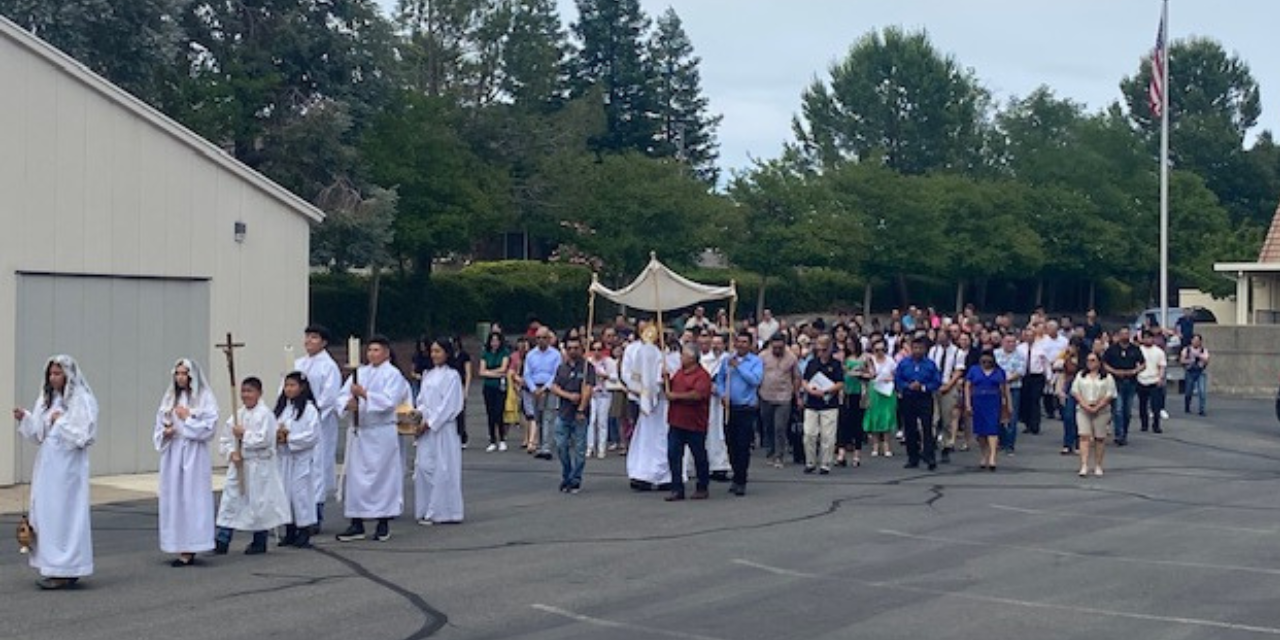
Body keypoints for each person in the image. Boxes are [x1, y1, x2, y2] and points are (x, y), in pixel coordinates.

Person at [12, 355, 97, 590]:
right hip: (48, 466)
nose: (53, 377)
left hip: (69, 469)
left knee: (65, 515)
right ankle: (52, 566)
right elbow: (38, 434)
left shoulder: (82, 400)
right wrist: (26, 418)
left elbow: (85, 435)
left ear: (68, 375)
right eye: (51, 373)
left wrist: (62, 423)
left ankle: (67, 568)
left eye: (58, 373)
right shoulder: (47, 400)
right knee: (48, 515)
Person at [336, 336, 412, 542]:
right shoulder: (359, 372)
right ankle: (356, 522)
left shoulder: (393, 374)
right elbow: (342, 395)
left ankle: (383, 522)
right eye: (369, 350)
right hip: (360, 431)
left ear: (386, 352)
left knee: (383, 477)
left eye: (377, 350)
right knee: (356, 477)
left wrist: (366, 395)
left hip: (381, 432)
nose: (372, 354)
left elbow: (389, 401)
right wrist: (347, 403)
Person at [214, 377, 290, 555]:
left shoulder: (265, 415)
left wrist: (244, 434)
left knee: (259, 503)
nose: (245, 395)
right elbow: (225, 439)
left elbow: (265, 439)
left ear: (259, 393)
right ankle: (222, 539)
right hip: (241, 464)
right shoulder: (237, 414)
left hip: (259, 465)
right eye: (243, 391)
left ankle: (259, 540)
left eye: (250, 391)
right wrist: (231, 453)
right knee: (230, 501)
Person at [155, 358, 218, 567]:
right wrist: (166, 432)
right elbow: (159, 425)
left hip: (193, 453)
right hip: (173, 453)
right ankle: (177, 542)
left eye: (185, 373)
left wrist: (188, 418)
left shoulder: (204, 398)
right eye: (178, 373)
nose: (181, 377)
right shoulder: (170, 398)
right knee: (175, 498)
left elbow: (209, 427)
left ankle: (191, 545)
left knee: (192, 497)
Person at [293, 324, 342, 532]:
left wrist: (312, 412)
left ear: (323, 342)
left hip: (319, 423)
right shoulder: (298, 363)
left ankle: (316, 514)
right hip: (298, 422)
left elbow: (329, 396)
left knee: (317, 467)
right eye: (307, 337)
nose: (308, 341)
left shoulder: (328, 366)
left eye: (314, 338)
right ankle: (297, 514)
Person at [414, 337, 465, 525]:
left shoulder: (452, 376)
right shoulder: (428, 374)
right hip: (426, 428)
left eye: (438, 351)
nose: (434, 355)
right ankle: (426, 506)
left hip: (443, 428)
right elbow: (421, 400)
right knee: (423, 466)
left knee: (443, 468)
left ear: (447, 353)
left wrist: (430, 423)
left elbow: (449, 405)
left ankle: (443, 510)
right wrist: (417, 418)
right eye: (432, 351)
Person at [274, 372, 320, 548]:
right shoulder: (282, 409)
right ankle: (290, 529)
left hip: (300, 458)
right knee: (285, 494)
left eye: (293, 385)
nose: (289, 389)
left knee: (300, 494)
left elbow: (312, 434)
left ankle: (304, 529)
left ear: (302, 388)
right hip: (284, 458)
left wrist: (290, 438)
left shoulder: (309, 409)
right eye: (286, 386)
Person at [626, 324, 671, 490]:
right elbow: (636, 376)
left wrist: (666, 377)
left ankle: (665, 475)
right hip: (648, 405)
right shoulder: (643, 353)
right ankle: (642, 473)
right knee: (645, 439)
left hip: (664, 404)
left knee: (662, 439)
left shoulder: (670, 355)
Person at [666, 345, 714, 501]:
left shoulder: (702, 375)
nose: (681, 358)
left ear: (692, 358)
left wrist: (676, 396)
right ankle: (676, 488)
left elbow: (697, 395)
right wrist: (664, 380)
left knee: (699, 455)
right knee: (674, 454)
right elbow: (670, 388)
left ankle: (702, 486)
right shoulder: (679, 373)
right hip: (676, 421)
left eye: (684, 355)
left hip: (695, 423)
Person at [718, 331, 762, 495]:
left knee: (742, 445)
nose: (741, 344)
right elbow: (720, 379)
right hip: (730, 408)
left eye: (745, 342)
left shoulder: (755, 361)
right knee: (730, 444)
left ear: (750, 344)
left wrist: (739, 367)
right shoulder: (727, 360)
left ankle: (741, 479)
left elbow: (755, 380)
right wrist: (723, 394)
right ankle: (735, 473)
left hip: (746, 408)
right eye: (739, 341)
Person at [551, 334, 595, 494]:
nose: (572, 351)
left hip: (580, 415)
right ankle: (567, 473)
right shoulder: (562, 368)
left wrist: (581, 408)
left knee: (580, 449)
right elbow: (554, 387)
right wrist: (568, 396)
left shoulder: (587, 367)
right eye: (569, 348)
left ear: (581, 349)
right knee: (561, 446)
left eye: (576, 348)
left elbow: (588, 389)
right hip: (563, 412)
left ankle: (575, 479)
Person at [895, 337, 943, 471]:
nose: (917, 351)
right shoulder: (904, 363)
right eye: (915, 348)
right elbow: (898, 379)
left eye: (920, 348)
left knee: (927, 427)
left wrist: (923, 387)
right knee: (910, 428)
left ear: (925, 349)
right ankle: (913, 457)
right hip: (908, 398)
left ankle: (929, 456)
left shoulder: (930, 364)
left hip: (924, 398)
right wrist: (907, 386)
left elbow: (936, 381)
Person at [801, 334, 843, 475]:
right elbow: (805, 380)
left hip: (829, 403)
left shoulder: (836, 364)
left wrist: (826, 390)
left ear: (830, 349)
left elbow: (840, 383)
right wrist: (809, 390)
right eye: (819, 349)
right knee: (809, 434)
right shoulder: (812, 363)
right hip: (812, 403)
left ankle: (825, 463)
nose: (821, 352)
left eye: (824, 350)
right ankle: (810, 462)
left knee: (828, 436)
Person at [759, 333, 800, 468]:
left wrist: (797, 395)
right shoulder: (763, 356)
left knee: (780, 427)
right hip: (765, 395)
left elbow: (796, 377)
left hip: (784, 397)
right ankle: (770, 453)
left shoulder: (791, 358)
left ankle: (779, 456)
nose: (777, 351)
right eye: (775, 348)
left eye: (780, 348)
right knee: (768, 426)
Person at [1074, 353, 1117, 477]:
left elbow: (1110, 394)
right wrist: (1085, 405)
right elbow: (1076, 392)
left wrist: (1098, 406)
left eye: (1093, 360)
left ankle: (1098, 465)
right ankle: (1084, 465)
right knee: (1084, 436)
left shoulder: (1107, 377)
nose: (1090, 363)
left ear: (1099, 362)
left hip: (1101, 410)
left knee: (1099, 438)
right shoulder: (1081, 375)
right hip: (1083, 409)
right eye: (1088, 360)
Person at [964, 351, 1009, 471]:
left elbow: (1004, 390)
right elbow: (968, 387)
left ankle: (993, 457)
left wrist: (1007, 406)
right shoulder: (974, 370)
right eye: (984, 361)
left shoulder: (999, 372)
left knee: (992, 429)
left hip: (993, 401)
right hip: (978, 401)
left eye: (988, 361)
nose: (986, 363)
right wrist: (968, 404)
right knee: (980, 432)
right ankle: (984, 454)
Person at [523, 327, 562, 460]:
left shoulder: (556, 354)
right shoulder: (530, 355)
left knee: (548, 416)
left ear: (549, 339)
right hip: (534, 389)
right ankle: (540, 444)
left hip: (550, 389)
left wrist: (545, 388)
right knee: (538, 417)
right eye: (538, 338)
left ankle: (546, 447)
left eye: (544, 338)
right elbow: (527, 373)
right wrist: (534, 389)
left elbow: (556, 373)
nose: (541, 340)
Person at [1102, 327, 1144, 446]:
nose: (1125, 336)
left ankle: (1124, 432)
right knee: (1118, 409)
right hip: (1116, 382)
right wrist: (1115, 371)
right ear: (1119, 335)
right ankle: (1119, 434)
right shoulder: (1112, 349)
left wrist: (1135, 371)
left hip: (1131, 382)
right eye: (1122, 334)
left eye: (1127, 333)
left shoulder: (1135, 349)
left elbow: (1143, 363)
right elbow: (1104, 364)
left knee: (1127, 410)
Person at [928, 330, 962, 464]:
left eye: (943, 338)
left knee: (947, 418)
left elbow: (958, 371)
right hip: (934, 386)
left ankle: (947, 446)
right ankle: (932, 442)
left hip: (949, 386)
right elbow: (930, 367)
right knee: (933, 418)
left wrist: (948, 385)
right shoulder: (933, 350)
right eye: (939, 338)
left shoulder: (957, 352)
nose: (940, 340)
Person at [837, 338, 869, 468]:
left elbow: (871, 373)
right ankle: (841, 453)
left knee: (857, 424)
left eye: (852, 344)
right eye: (848, 344)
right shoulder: (843, 358)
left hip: (859, 393)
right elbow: (840, 373)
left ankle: (857, 454)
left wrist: (861, 374)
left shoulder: (865, 358)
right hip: (845, 393)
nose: (850, 346)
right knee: (843, 423)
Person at [863, 340, 898, 457]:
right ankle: (875, 445)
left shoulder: (890, 360)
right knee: (875, 416)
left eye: (882, 350)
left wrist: (890, 378)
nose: (879, 352)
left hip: (887, 390)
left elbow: (896, 373)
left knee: (887, 416)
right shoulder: (870, 360)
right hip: (875, 389)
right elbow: (867, 374)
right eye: (877, 350)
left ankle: (887, 445)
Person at [993, 333, 1026, 455]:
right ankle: (1000, 441)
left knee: (1012, 416)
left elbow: (1020, 372)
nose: (1011, 344)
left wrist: (1006, 380)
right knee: (997, 415)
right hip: (996, 388)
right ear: (1003, 342)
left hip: (1013, 388)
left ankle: (1010, 445)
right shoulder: (995, 354)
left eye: (1013, 342)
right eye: (1008, 341)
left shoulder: (1020, 355)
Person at [478, 331, 511, 452]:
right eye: (492, 341)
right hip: (488, 386)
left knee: (499, 412)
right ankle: (492, 440)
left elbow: (504, 368)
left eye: (496, 340)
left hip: (500, 386)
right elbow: (481, 371)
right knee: (490, 413)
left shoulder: (504, 353)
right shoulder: (485, 354)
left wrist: (489, 372)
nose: (494, 343)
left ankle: (502, 439)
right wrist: (495, 373)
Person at [587, 339, 617, 459]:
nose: (597, 352)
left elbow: (615, 377)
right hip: (592, 394)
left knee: (602, 422)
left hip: (605, 394)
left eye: (599, 349)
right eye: (594, 349)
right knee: (591, 420)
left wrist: (605, 375)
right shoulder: (588, 362)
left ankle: (601, 448)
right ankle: (590, 447)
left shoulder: (609, 362)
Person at [1136, 330, 1168, 435]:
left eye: (1149, 337)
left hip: (1154, 380)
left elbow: (1162, 366)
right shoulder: (1138, 350)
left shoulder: (1159, 352)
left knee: (1156, 405)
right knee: (1142, 404)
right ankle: (1144, 424)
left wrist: (1160, 378)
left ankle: (1156, 425)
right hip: (1141, 379)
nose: (1147, 340)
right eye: (1145, 338)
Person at [451, 336, 474, 448]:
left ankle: (462, 436)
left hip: (460, 385)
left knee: (460, 413)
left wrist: (466, 390)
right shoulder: (449, 357)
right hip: (451, 386)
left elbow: (468, 373)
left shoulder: (464, 355)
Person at [1180, 334, 1210, 415]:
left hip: (1200, 372)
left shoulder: (1204, 350)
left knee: (1202, 391)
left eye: (1198, 341)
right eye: (1194, 340)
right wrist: (1190, 361)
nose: (1196, 342)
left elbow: (1207, 360)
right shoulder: (1187, 349)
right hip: (1190, 371)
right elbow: (1182, 360)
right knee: (1188, 392)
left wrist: (1200, 357)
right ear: (1191, 341)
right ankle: (1187, 406)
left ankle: (1202, 410)